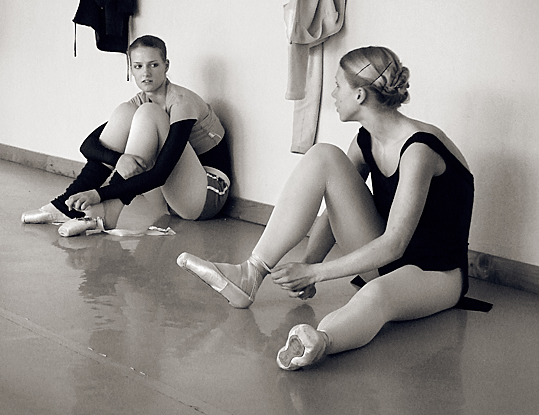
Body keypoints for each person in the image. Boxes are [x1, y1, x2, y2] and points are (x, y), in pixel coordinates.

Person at [177, 46, 474, 371]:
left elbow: (394, 244)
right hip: (384, 258)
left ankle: (320, 341)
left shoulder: (419, 150)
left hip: (437, 274)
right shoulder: (366, 139)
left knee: (376, 295)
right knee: (323, 156)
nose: (333, 94)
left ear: (359, 95)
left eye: (337, 85)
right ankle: (251, 273)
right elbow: (335, 206)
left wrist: (316, 273)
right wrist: (310, 263)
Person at [22, 35, 231, 236]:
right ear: (130, 69)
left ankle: (108, 213)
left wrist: (99, 194)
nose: (146, 73)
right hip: (169, 201)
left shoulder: (181, 102)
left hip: (206, 196)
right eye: (138, 66)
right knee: (125, 111)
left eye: (153, 65)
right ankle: (65, 206)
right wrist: (118, 159)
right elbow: (88, 146)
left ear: (166, 66)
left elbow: (161, 173)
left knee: (148, 113)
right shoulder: (138, 102)